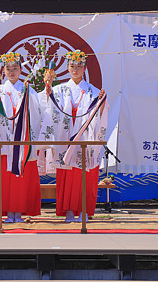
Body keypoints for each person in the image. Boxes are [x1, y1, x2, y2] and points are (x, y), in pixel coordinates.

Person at [40, 50, 107, 223]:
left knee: (86, 177)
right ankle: (68, 210)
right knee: (67, 177)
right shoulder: (59, 89)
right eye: (72, 66)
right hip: (66, 138)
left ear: (85, 68)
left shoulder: (93, 91)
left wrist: (101, 103)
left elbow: (100, 114)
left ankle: (84, 211)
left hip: (85, 139)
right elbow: (48, 109)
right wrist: (47, 92)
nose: (75, 69)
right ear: (67, 68)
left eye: (79, 66)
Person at [0, 52, 43, 223]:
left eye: (15, 68)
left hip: (22, 141)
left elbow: (36, 112)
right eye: (8, 69)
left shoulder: (28, 89)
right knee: (5, 179)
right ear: (3, 71)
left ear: (21, 69)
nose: (11, 72)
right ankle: (8, 211)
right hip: (5, 140)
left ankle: (20, 212)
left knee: (22, 180)